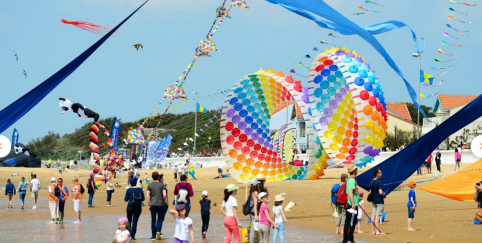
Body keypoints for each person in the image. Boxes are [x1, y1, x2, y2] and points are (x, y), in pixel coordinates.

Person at [147, 172, 168, 241]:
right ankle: (158, 231)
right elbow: (165, 195)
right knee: (160, 218)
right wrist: (165, 202)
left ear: (152, 177)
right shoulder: (162, 184)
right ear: (158, 177)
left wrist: (148, 205)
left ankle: (153, 236)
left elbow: (148, 196)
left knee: (153, 220)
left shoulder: (149, 185)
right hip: (160, 204)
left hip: (153, 204)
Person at [342, 165, 360, 244]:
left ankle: (349, 238)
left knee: (350, 222)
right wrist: (353, 203)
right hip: (352, 204)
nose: (357, 170)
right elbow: (350, 192)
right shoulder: (352, 180)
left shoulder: (350, 179)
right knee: (350, 222)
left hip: (352, 203)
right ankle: (348, 239)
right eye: (356, 169)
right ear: (354, 170)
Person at [249, 175, 268, 243]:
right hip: (256, 213)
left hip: (256, 212)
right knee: (254, 230)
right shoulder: (256, 192)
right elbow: (255, 205)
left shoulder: (257, 191)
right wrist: (256, 215)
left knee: (255, 229)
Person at [370, 168, 386, 235]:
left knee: (373, 215)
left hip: (374, 200)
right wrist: (384, 194)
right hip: (379, 200)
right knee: (377, 216)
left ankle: (373, 231)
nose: (381, 173)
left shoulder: (372, 181)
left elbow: (370, 191)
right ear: (377, 174)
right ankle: (377, 231)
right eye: (380, 173)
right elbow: (380, 192)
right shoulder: (379, 181)